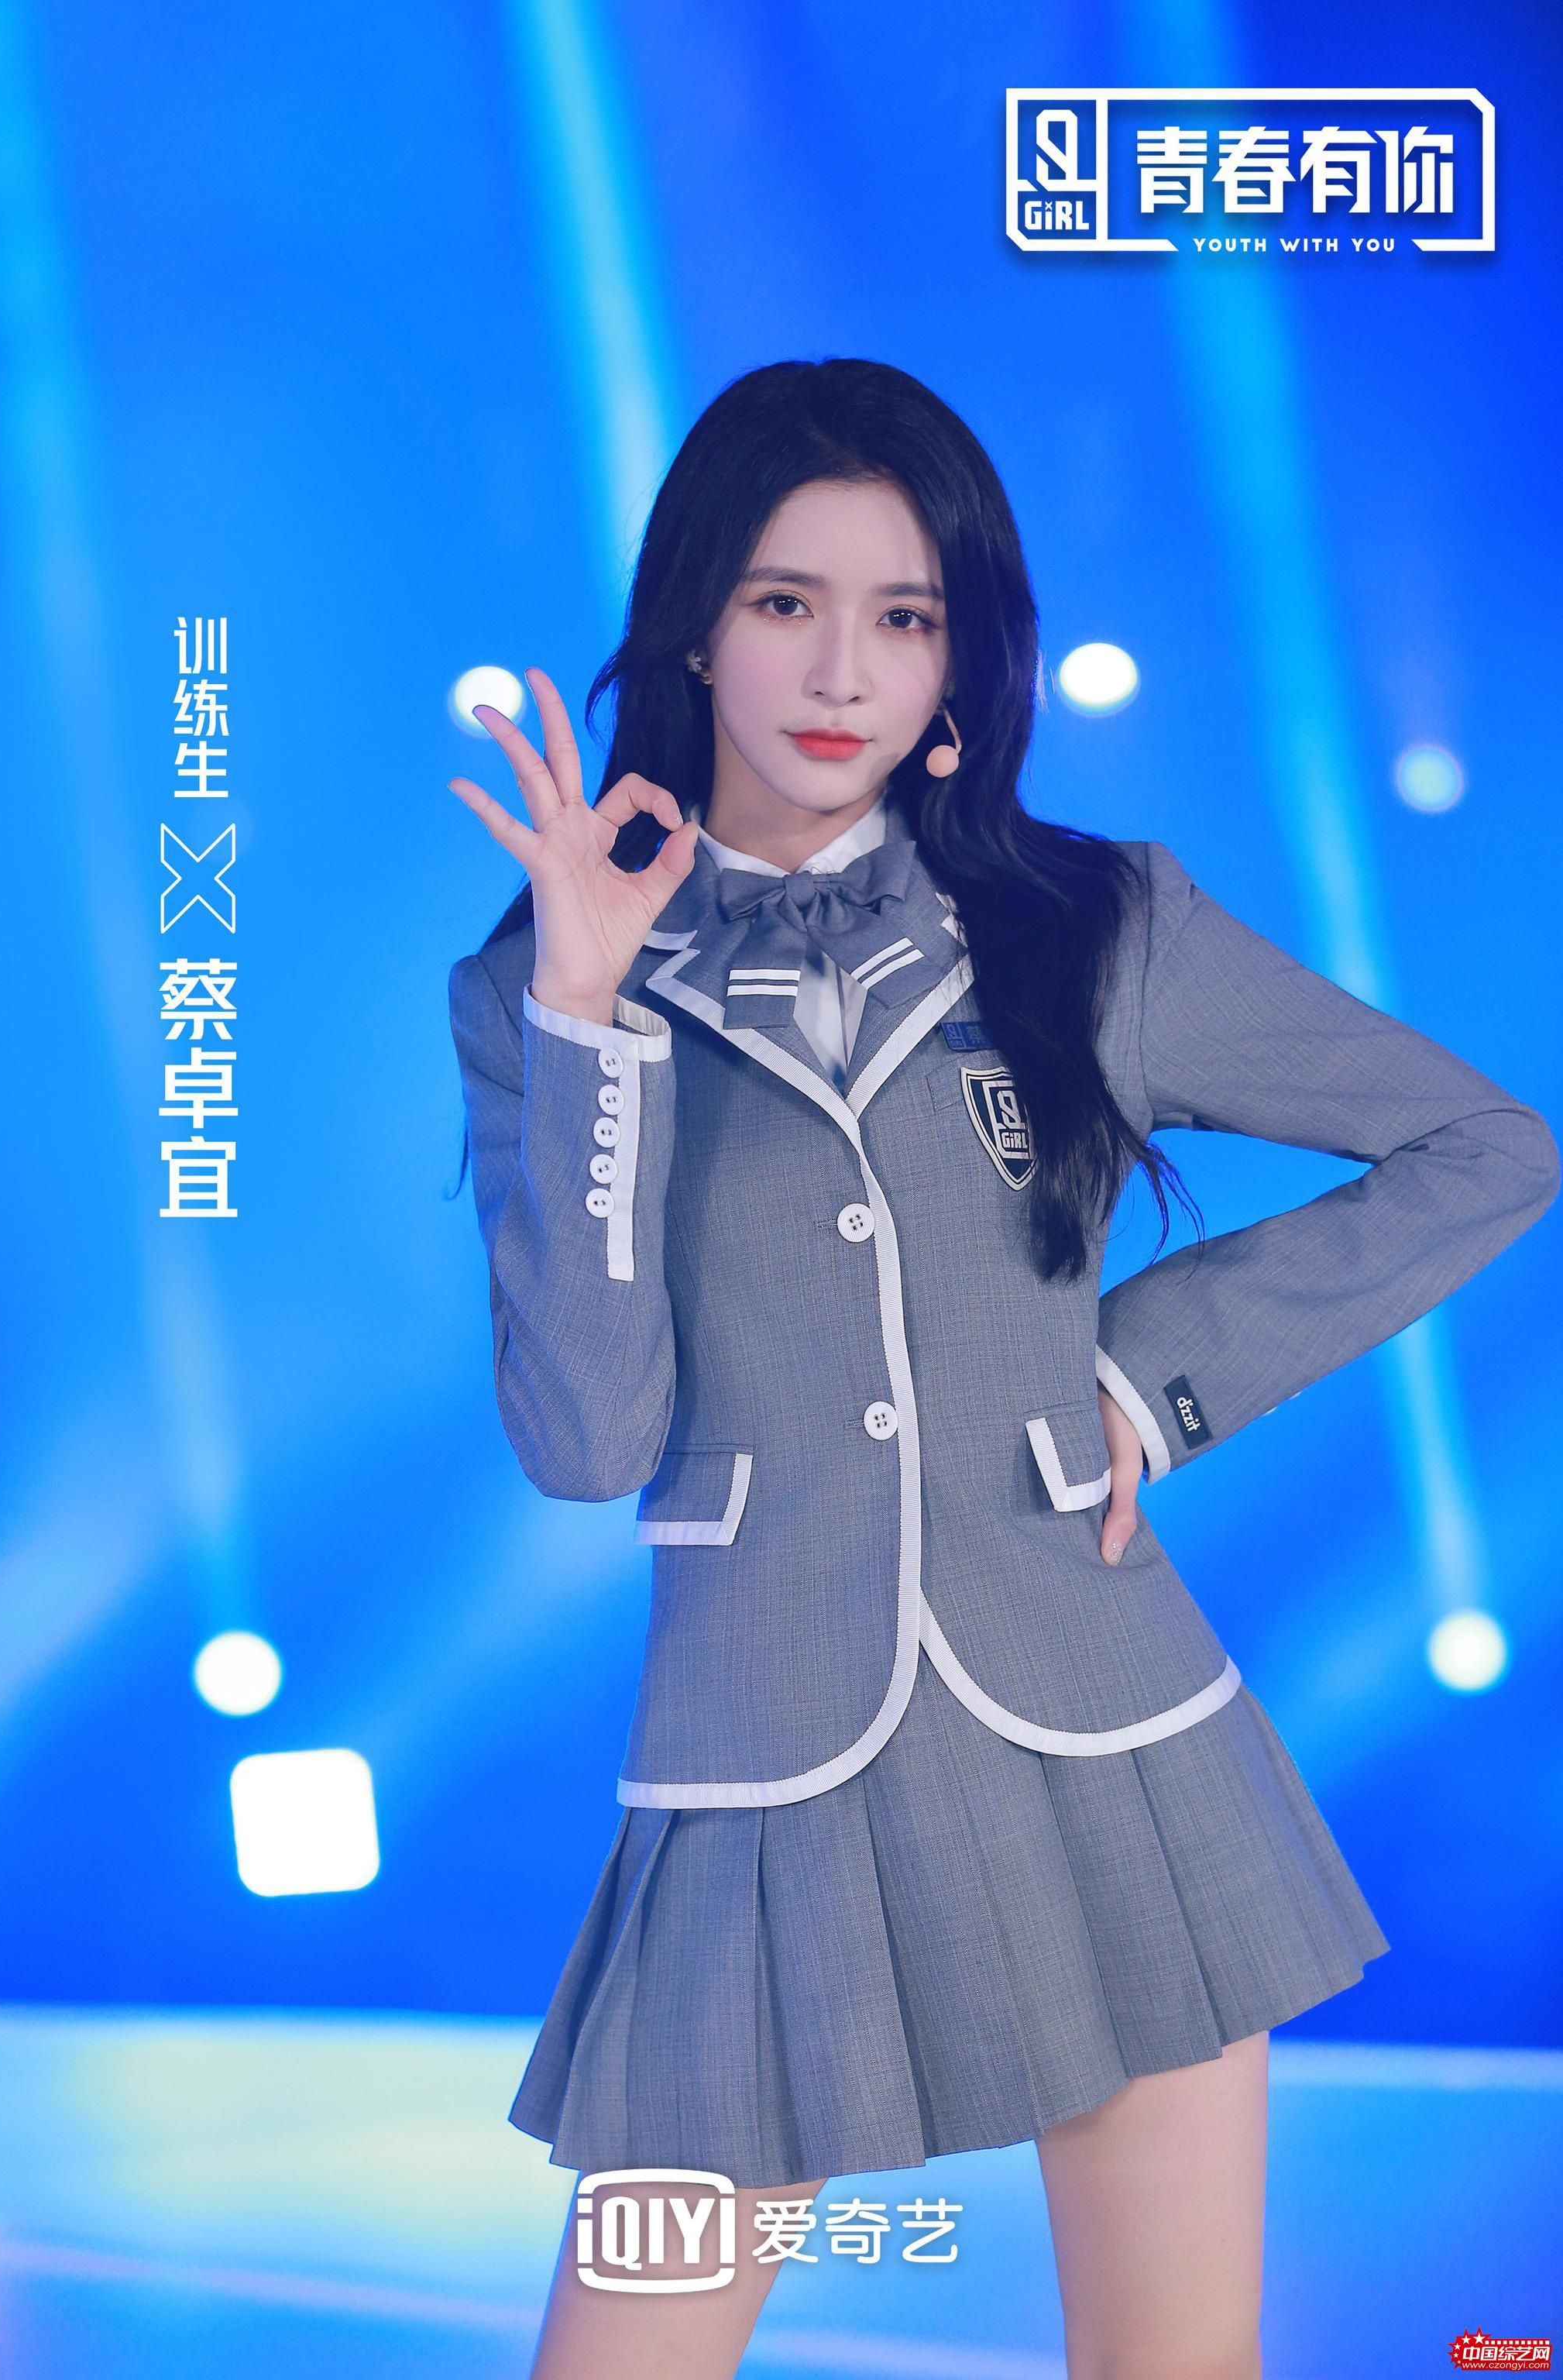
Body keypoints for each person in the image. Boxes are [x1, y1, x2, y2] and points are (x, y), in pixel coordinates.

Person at [445, 359, 1558, 2380]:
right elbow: (589, 1440)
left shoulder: (1090, 924)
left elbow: (1488, 1147)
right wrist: (593, 1014)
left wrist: (1145, 1385)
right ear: (695, 624)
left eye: (905, 615)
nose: (841, 672)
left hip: (1110, 1742)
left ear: (961, 657)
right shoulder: (544, 987)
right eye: (785, 602)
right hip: (761, 1767)